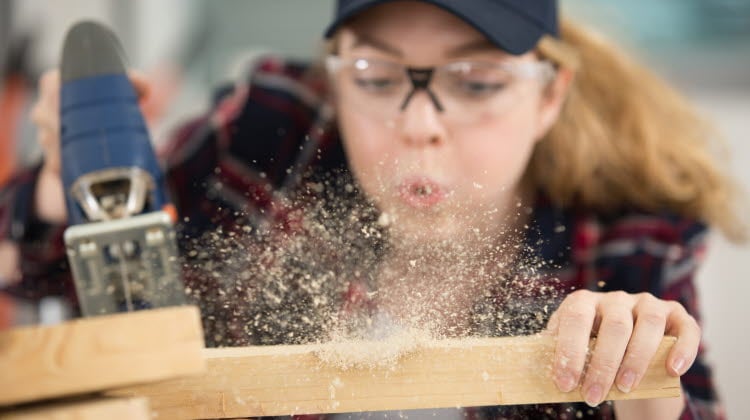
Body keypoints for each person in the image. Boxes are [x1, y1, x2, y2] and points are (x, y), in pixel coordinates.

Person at [1, 0, 746, 418]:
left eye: (479, 84)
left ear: (548, 96)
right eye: (376, 77)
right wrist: (56, 191)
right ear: (335, 75)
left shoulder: (623, 222)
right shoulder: (269, 132)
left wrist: (647, 379)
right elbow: (40, 277)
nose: (420, 125)